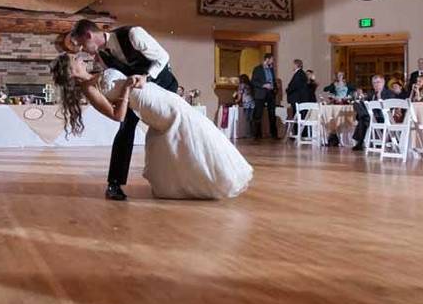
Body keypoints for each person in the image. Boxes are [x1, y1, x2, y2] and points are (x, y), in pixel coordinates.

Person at [51, 54, 251, 199]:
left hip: (159, 95)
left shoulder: (97, 73)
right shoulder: (89, 88)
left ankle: (213, 175)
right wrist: (127, 89)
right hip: (149, 105)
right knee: (185, 131)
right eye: (74, 60)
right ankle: (212, 178)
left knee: (194, 129)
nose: (79, 57)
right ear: (71, 71)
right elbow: (118, 115)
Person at [70, 19, 178, 201]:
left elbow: (163, 57)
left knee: (168, 132)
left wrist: (147, 77)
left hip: (163, 85)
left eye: (81, 44)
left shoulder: (133, 34)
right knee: (125, 129)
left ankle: (175, 179)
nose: (81, 49)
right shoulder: (103, 57)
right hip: (135, 93)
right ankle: (115, 184)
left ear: (89, 35)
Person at [351, 74, 396, 151]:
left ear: (383, 82)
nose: (376, 85)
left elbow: (389, 107)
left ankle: (360, 142)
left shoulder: (389, 93)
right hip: (371, 116)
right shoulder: (371, 94)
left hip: (382, 117)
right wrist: (361, 99)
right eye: (374, 83)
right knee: (356, 103)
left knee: (363, 119)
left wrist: (379, 98)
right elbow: (365, 105)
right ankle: (366, 117)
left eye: (378, 82)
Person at [250, 53, 278, 140]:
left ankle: (274, 134)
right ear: (267, 59)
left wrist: (275, 88)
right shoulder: (257, 69)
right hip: (260, 93)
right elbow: (253, 81)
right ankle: (257, 135)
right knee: (258, 114)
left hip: (270, 94)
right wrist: (263, 85)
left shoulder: (271, 69)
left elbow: (273, 80)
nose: (273, 61)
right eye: (272, 59)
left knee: (272, 114)